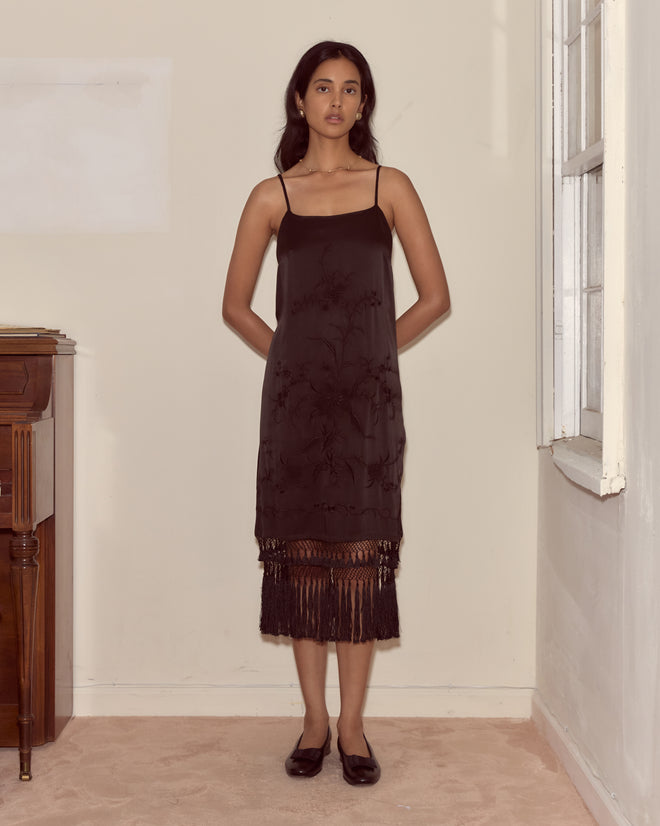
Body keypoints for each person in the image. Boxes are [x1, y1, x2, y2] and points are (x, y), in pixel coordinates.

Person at [223, 41, 449, 785]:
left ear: (363, 104)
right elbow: (235, 306)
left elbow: (434, 297)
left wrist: (371, 358)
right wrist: (290, 361)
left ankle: (352, 728)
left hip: (366, 410)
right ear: (299, 100)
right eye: (322, 87)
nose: (336, 101)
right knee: (304, 563)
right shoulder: (270, 196)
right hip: (294, 410)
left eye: (350, 90)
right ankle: (314, 720)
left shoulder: (390, 187)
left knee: (357, 564)